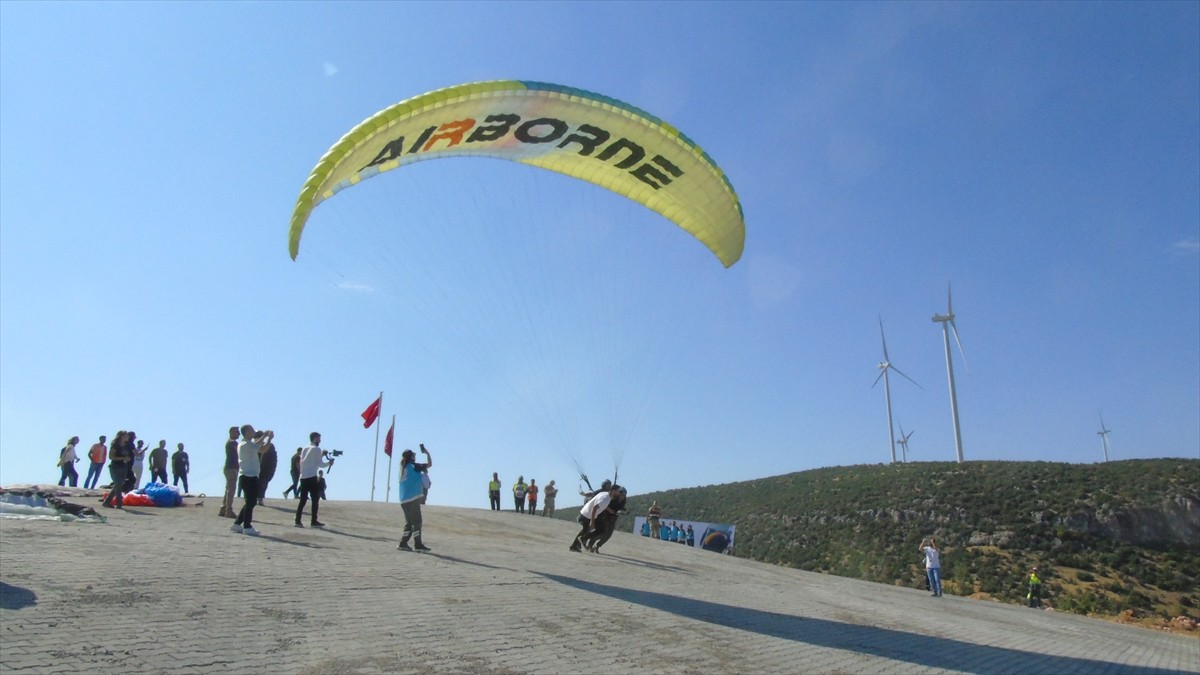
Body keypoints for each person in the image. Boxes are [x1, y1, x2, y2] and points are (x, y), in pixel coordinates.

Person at [231, 425, 272, 536]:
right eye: (252, 430)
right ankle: (247, 526)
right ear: (247, 432)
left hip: (248, 477)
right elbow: (262, 449)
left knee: (249, 502)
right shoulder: (245, 445)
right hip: (249, 477)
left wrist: (264, 436)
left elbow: (257, 445)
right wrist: (269, 438)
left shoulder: (246, 444)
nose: (254, 432)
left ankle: (237, 523)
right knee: (251, 502)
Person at [396, 444, 433, 551]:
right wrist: (427, 453)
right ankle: (418, 545)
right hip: (412, 498)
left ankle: (403, 543)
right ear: (411, 457)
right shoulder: (412, 466)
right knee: (417, 521)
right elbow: (429, 464)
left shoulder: (403, 468)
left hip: (403, 499)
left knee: (409, 522)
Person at [295, 432, 332, 528]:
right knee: (315, 500)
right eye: (319, 439)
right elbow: (320, 464)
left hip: (303, 477)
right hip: (312, 477)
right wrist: (329, 463)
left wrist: (321, 455)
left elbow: (310, 461)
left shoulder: (305, 448)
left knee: (302, 500)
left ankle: (297, 520)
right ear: (315, 438)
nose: (320, 441)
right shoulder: (316, 449)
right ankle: (313, 521)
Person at [570, 484, 614, 552]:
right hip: (589, 513)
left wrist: (608, 509)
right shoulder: (603, 493)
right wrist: (592, 521)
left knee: (587, 529)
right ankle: (576, 544)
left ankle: (578, 543)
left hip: (591, 512)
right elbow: (595, 502)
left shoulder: (604, 493)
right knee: (588, 529)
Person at [582, 485, 626, 553]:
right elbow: (603, 505)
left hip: (613, 518)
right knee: (602, 532)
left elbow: (621, 507)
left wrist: (623, 511)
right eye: (621, 494)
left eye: (624, 495)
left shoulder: (623, 500)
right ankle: (590, 544)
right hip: (605, 516)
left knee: (608, 535)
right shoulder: (612, 498)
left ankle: (597, 546)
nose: (622, 496)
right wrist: (609, 510)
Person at [101, 431, 132, 509]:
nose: (128, 437)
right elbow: (111, 457)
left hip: (124, 467)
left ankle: (107, 502)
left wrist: (127, 459)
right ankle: (119, 503)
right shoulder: (115, 445)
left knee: (119, 485)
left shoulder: (126, 446)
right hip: (115, 467)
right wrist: (122, 458)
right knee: (118, 484)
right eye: (126, 436)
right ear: (122, 436)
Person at [220, 426, 239, 518]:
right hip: (232, 468)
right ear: (231, 432)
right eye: (237, 432)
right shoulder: (233, 443)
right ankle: (229, 510)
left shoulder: (230, 443)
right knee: (231, 490)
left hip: (229, 468)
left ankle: (223, 508)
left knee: (228, 488)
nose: (238, 434)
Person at [257, 435, 278, 505]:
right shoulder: (266, 447)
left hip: (264, 469)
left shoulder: (268, 447)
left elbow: (273, 460)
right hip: (264, 469)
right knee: (262, 484)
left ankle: (259, 498)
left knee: (262, 484)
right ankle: (259, 498)